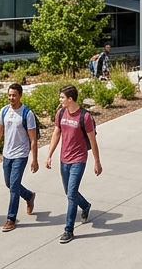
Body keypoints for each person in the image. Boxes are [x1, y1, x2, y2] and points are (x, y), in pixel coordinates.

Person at [45, 84, 102, 244]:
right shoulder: (61, 113)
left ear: (70, 99)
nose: (60, 100)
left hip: (79, 159)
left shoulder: (85, 117)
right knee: (70, 192)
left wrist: (97, 162)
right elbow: (56, 134)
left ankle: (68, 229)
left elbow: (92, 140)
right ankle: (85, 205)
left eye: (62, 97)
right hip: (64, 159)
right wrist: (49, 155)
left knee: (71, 194)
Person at [0, 83, 38, 232]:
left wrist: (34, 159)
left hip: (21, 155)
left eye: (14, 95)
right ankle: (29, 196)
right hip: (7, 154)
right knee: (9, 184)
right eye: (9, 95)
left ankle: (11, 218)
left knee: (14, 187)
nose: (11, 98)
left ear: (20, 96)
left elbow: (33, 139)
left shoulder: (27, 114)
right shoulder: (4, 111)